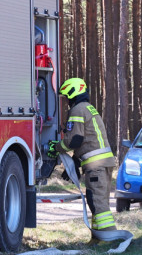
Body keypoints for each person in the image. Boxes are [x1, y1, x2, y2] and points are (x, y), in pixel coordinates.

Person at [47, 77, 118, 238]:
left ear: (73, 93)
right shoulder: (89, 108)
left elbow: (74, 140)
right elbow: (89, 139)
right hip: (102, 162)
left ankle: (110, 239)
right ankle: (98, 237)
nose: (67, 101)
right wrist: (76, 161)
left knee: (97, 203)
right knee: (98, 201)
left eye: (67, 97)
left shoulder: (78, 110)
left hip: (96, 165)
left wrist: (56, 147)